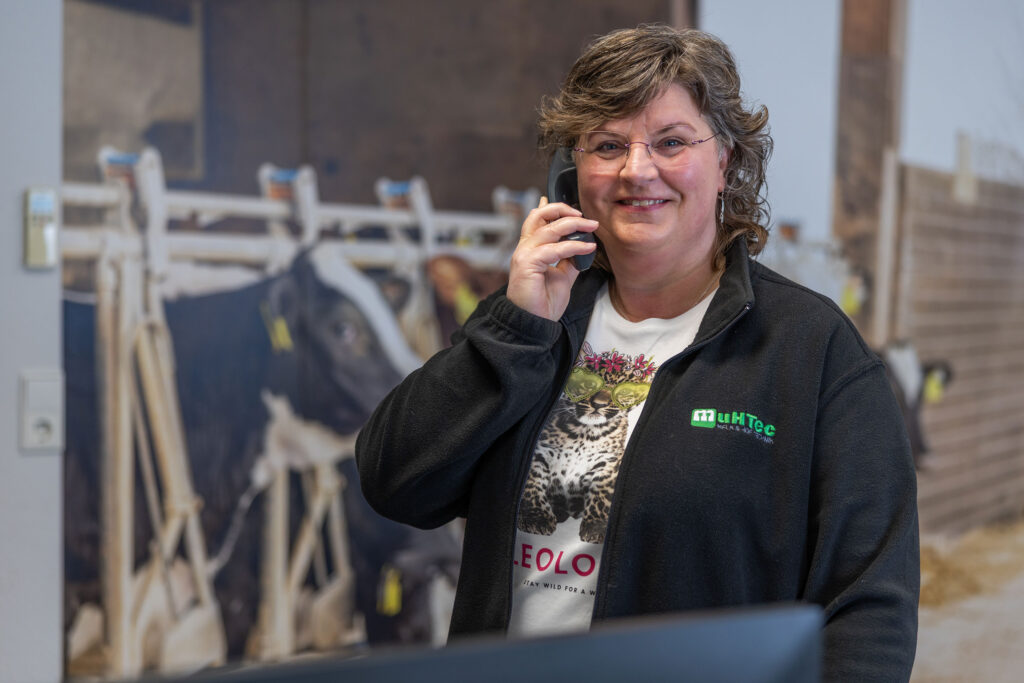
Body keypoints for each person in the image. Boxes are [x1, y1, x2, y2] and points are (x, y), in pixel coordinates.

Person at [356, 24, 919, 681]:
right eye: (607, 145)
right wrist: (516, 327)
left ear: (727, 161)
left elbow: (870, 609)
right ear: (571, 173)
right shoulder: (537, 324)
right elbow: (394, 480)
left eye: (671, 141)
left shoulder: (811, 350)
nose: (636, 169)